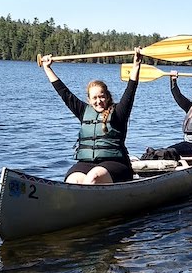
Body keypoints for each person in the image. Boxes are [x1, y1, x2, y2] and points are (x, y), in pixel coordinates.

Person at [40, 48, 143, 184]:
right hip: (87, 163)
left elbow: (130, 90)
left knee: (93, 178)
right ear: (89, 100)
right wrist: (47, 68)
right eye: (94, 98)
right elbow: (64, 93)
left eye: (102, 96)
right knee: (73, 180)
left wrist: (136, 65)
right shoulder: (84, 111)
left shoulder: (119, 112)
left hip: (115, 164)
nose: (98, 101)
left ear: (107, 97)